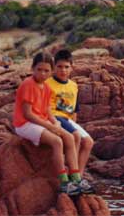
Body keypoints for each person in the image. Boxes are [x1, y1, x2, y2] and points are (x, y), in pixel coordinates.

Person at [12, 52, 92, 195]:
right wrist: (50, 126)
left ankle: (76, 177)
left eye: (46, 71)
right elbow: (28, 114)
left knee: (68, 137)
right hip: (24, 124)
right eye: (39, 70)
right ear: (32, 68)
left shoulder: (46, 87)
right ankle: (64, 182)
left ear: (51, 71)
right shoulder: (28, 84)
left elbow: (47, 110)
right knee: (57, 141)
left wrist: (55, 123)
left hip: (42, 121)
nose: (43, 74)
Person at [46, 49, 95, 192]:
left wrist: (74, 124)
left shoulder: (73, 86)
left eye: (66, 67)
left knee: (89, 142)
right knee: (75, 136)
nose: (63, 70)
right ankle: (74, 178)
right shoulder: (48, 84)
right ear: (54, 67)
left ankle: (78, 176)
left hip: (67, 118)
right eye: (59, 67)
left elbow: (74, 110)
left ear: (72, 67)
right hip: (54, 116)